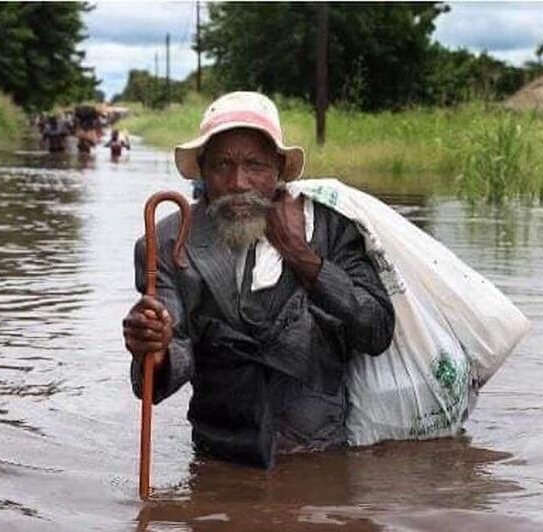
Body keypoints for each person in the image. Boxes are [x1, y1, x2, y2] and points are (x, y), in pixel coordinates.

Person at [122, 92, 395, 469]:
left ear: (279, 169)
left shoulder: (329, 226)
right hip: (220, 456)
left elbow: (376, 330)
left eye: (255, 165)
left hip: (320, 453)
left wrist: (303, 256)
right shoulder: (168, 242)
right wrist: (152, 347)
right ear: (202, 169)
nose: (238, 182)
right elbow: (165, 363)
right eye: (222, 165)